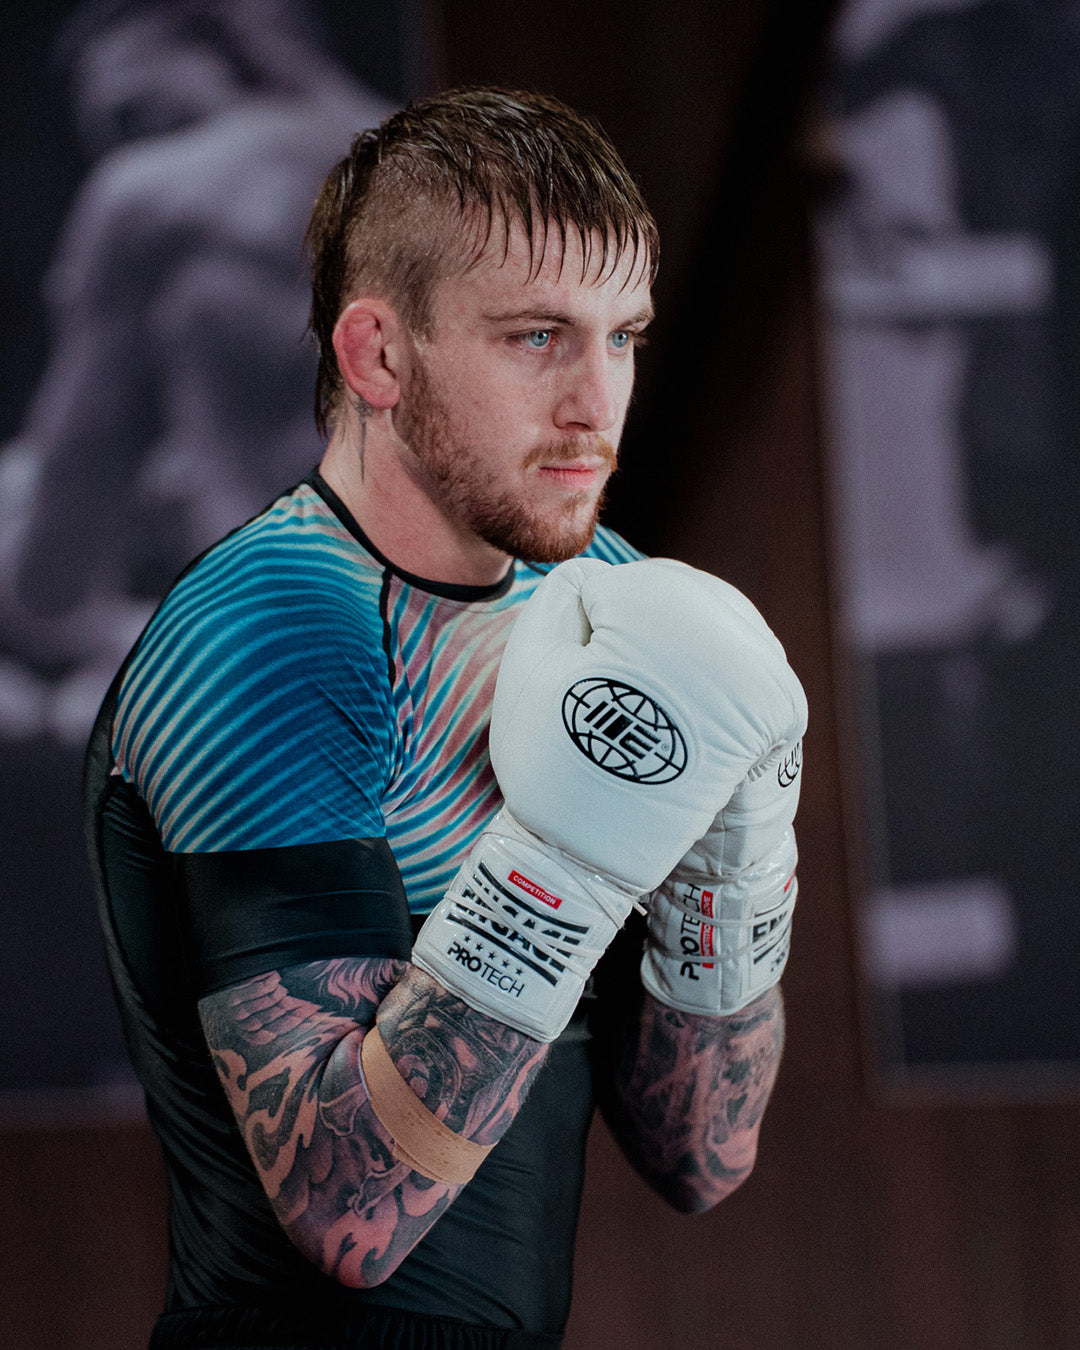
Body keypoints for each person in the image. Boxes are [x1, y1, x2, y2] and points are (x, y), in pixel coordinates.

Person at [84, 87, 807, 1350]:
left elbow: (703, 1155)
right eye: (537, 337)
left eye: (623, 337)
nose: (597, 402)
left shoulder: (614, 607)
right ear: (378, 355)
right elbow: (345, 1214)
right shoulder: (274, 630)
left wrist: (734, 878)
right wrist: (563, 866)